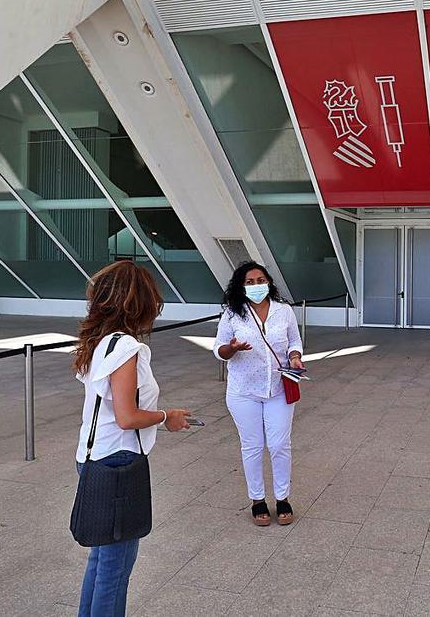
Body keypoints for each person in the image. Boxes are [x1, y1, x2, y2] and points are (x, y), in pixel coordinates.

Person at [72, 260, 192, 616]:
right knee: (115, 568)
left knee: (101, 560)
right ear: (137, 302)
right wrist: (167, 417)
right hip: (118, 463)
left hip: (94, 457)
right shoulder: (126, 349)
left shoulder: (101, 342)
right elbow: (128, 417)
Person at [213, 261, 303, 527]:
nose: (256, 286)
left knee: (279, 445)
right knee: (252, 446)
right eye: (249, 282)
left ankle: (283, 497)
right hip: (243, 392)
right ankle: (257, 499)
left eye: (260, 280)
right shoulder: (232, 314)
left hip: (278, 388)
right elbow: (218, 350)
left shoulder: (283, 311)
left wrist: (295, 357)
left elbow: (294, 342)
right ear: (241, 286)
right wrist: (232, 348)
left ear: (269, 282)